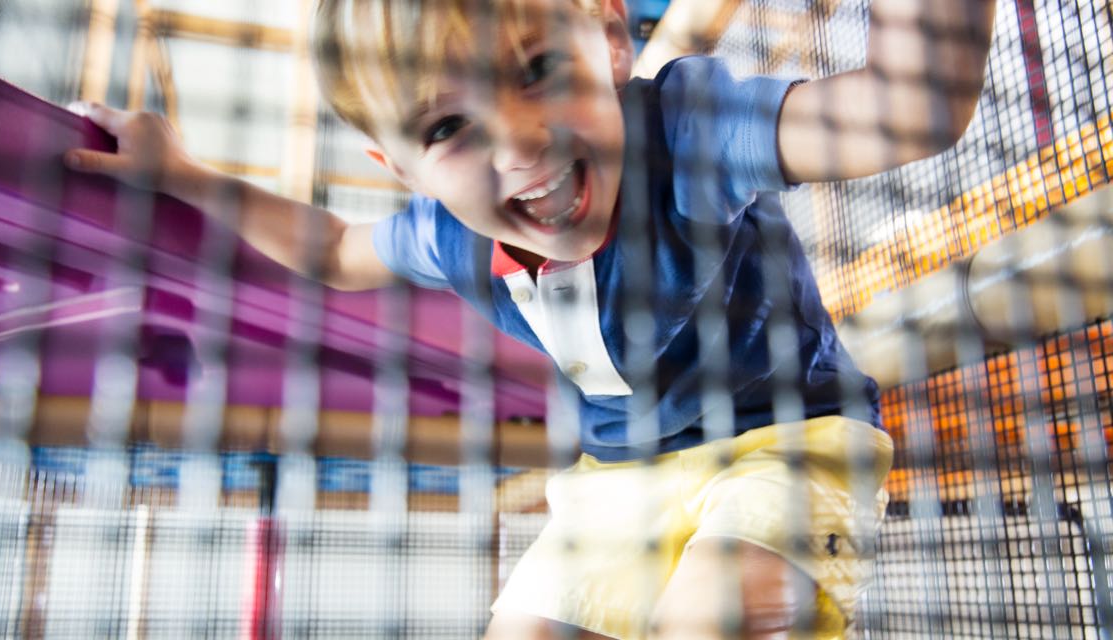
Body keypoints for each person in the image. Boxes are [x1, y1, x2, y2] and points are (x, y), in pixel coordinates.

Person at [64, 0, 997, 636]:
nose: (517, 142)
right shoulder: (451, 237)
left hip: (789, 435)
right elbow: (331, 251)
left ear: (610, 39)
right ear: (401, 169)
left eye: (540, 69)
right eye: (445, 128)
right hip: (618, 478)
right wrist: (181, 175)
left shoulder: (688, 133)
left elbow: (906, 109)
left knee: (714, 615)